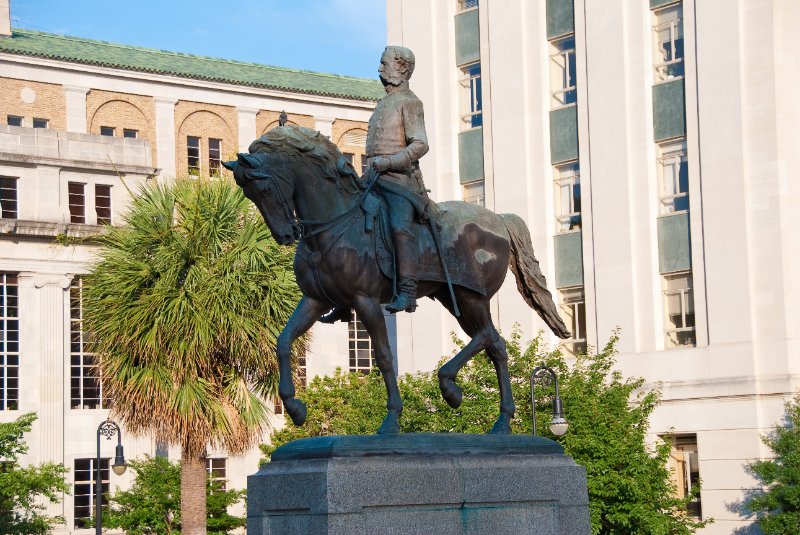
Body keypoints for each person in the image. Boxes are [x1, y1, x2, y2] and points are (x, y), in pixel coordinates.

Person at [367, 45, 430, 314]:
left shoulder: (410, 101)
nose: (380, 69)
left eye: (385, 64)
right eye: (381, 63)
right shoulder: (383, 103)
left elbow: (420, 144)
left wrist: (390, 162)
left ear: (402, 68)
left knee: (399, 227)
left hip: (400, 182)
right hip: (372, 177)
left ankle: (407, 291)